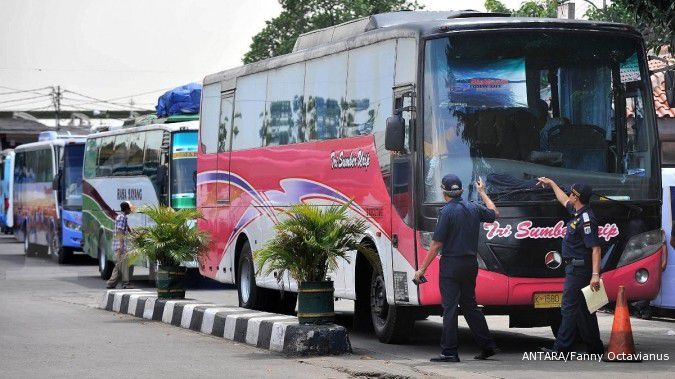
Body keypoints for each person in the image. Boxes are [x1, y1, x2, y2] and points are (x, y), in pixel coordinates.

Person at [414, 174, 499, 362]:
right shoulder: (474, 207)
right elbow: (494, 213)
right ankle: (487, 345)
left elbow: (436, 244)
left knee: (450, 308)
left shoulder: (446, 212)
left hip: (451, 265)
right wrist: (482, 193)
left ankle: (450, 352)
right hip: (470, 265)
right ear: (460, 191)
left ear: (444, 192)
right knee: (470, 305)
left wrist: (421, 270)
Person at [536, 177, 604, 355]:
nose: (569, 196)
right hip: (575, 268)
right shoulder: (577, 212)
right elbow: (563, 199)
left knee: (568, 308)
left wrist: (595, 275)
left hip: (579, 269)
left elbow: (595, 249)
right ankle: (595, 347)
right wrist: (551, 183)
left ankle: (561, 349)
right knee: (584, 309)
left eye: (572, 193)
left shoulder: (587, 219)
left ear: (577, 197)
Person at [106, 201, 134, 289]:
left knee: (119, 265)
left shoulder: (123, 217)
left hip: (120, 245)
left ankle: (111, 283)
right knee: (123, 264)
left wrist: (132, 232)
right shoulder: (121, 217)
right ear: (126, 209)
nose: (130, 210)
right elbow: (120, 231)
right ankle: (125, 283)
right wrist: (121, 245)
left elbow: (126, 227)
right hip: (120, 245)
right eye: (130, 208)